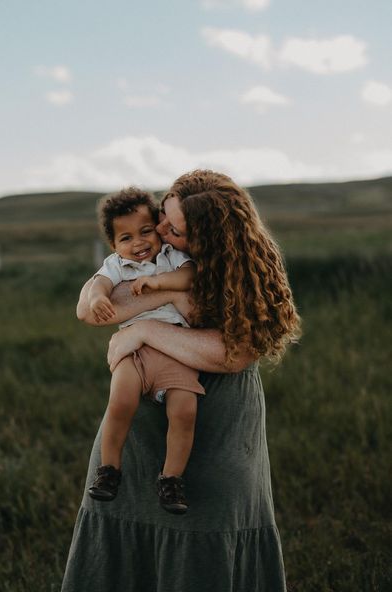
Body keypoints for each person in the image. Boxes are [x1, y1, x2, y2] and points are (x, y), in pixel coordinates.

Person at [62, 170, 300, 592]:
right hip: (140, 431)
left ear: (211, 236)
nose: (163, 233)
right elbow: (94, 307)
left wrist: (146, 330)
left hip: (220, 428)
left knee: (209, 539)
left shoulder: (249, 274)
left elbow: (233, 354)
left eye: (176, 229)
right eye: (163, 218)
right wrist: (168, 295)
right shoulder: (155, 258)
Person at [87, 187, 205, 514]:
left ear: (158, 228)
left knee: (184, 411)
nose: (137, 243)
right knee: (120, 401)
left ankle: (171, 479)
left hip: (176, 349)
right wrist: (98, 298)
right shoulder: (116, 265)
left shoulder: (171, 256)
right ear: (114, 246)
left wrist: (160, 282)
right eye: (125, 238)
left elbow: (190, 275)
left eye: (145, 231)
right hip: (134, 351)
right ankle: (109, 470)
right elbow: (98, 285)